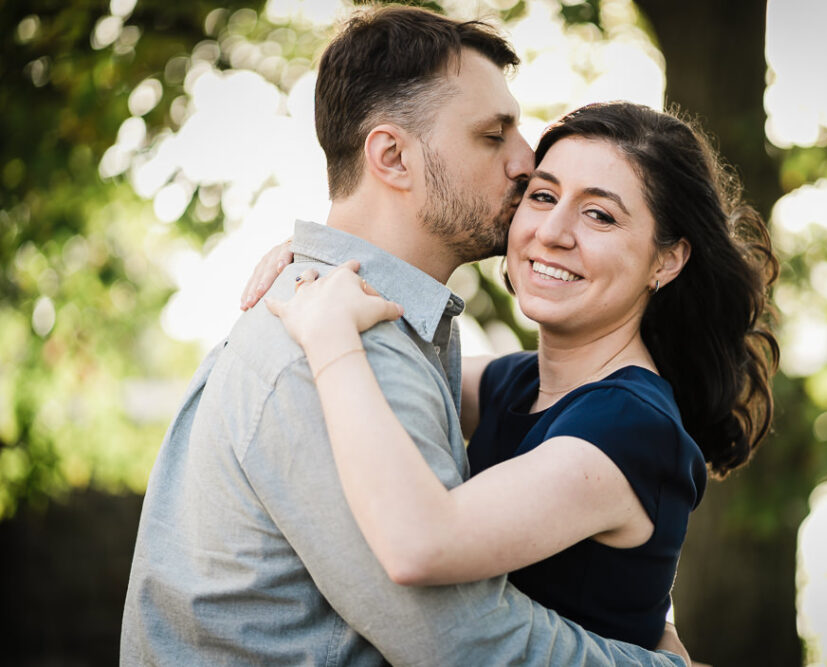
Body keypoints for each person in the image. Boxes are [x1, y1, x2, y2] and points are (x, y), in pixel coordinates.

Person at [121, 4, 693, 666]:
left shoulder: (377, 325)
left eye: (599, 214)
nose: (525, 162)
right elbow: (457, 640)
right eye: (493, 136)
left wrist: (645, 613)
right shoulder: (337, 344)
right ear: (392, 157)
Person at [263, 102, 779, 652]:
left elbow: (420, 544)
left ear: (667, 260)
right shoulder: (520, 383)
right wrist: (319, 259)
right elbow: (397, 362)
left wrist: (331, 337)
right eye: (543, 196)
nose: (553, 232)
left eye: (599, 215)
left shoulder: (631, 427)